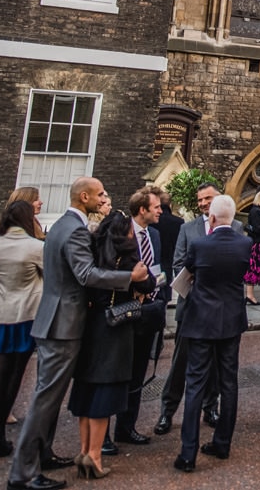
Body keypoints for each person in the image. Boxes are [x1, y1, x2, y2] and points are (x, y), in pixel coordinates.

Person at [8, 178, 146, 490]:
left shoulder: (59, 225)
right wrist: (130, 276)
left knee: (49, 398)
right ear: (84, 197)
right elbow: (87, 274)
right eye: (99, 194)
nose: (103, 198)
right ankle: (22, 474)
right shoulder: (75, 230)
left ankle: (42, 455)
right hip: (63, 324)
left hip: (53, 320)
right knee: (45, 400)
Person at [69, 209, 156, 478]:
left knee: (86, 390)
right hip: (116, 330)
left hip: (91, 326)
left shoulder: (93, 254)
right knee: (105, 396)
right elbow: (149, 283)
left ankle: (83, 451)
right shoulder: (128, 257)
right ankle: (95, 456)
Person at [171, 195, 252, 472]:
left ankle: (188, 453)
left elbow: (189, 271)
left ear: (213, 219)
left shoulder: (200, 244)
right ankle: (222, 443)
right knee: (229, 382)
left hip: (202, 321)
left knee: (195, 384)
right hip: (231, 320)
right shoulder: (245, 244)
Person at [0, 199, 46, 460]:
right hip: (25, 314)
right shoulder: (36, 247)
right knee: (15, 373)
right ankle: (0, 433)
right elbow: (48, 275)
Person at [155, 181, 223, 436]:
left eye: (208, 198)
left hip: (218, 309)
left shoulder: (234, 226)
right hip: (192, 305)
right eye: (201, 200)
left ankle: (210, 407)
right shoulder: (188, 228)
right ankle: (167, 411)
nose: (203, 203)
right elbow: (179, 262)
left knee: (214, 364)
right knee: (180, 364)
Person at [113, 189, 168, 452]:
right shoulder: (121, 233)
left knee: (137, 374)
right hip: (124, 311)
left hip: (148, 313)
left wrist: (159, 292)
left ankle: (126, 427)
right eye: (156, 207)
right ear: (142, 210)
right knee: (115, 374)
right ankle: (102, 434)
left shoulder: (154, 235)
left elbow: (156, 267)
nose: (160, 211)